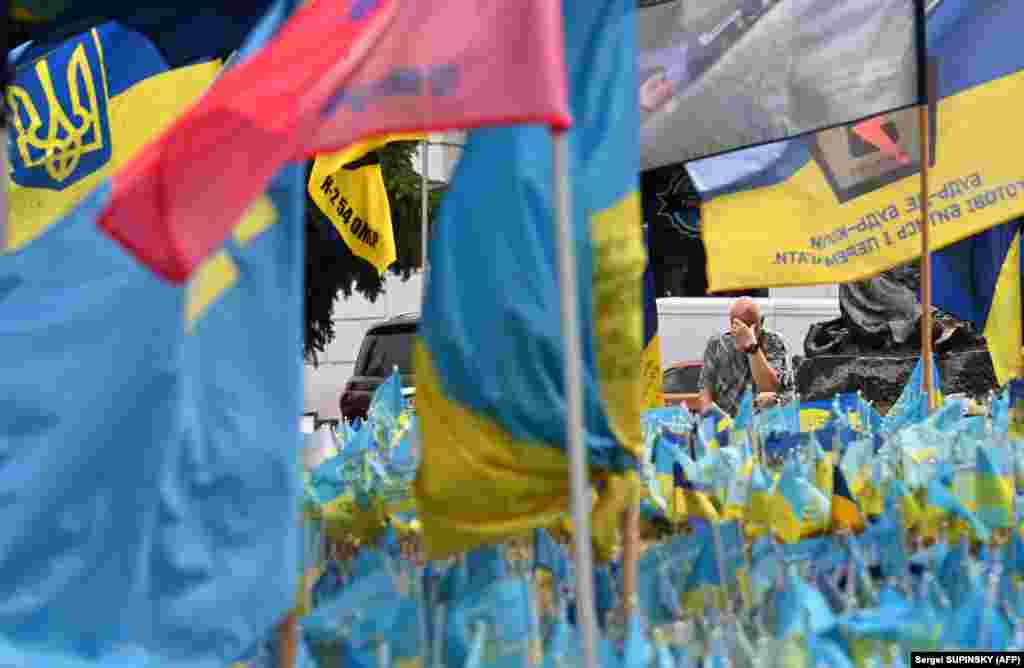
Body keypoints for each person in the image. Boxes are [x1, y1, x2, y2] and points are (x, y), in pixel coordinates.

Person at [698, 297, 789, 416]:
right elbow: (705, 388)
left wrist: (752, 347)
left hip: (759, 424)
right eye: (739, 327)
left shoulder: (773, 342)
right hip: (725, 424)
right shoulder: (717, 344)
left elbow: (770, 388)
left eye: (749, 327)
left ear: (761, 322)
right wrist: (710, 415)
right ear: (731, 324)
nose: (743, 333)